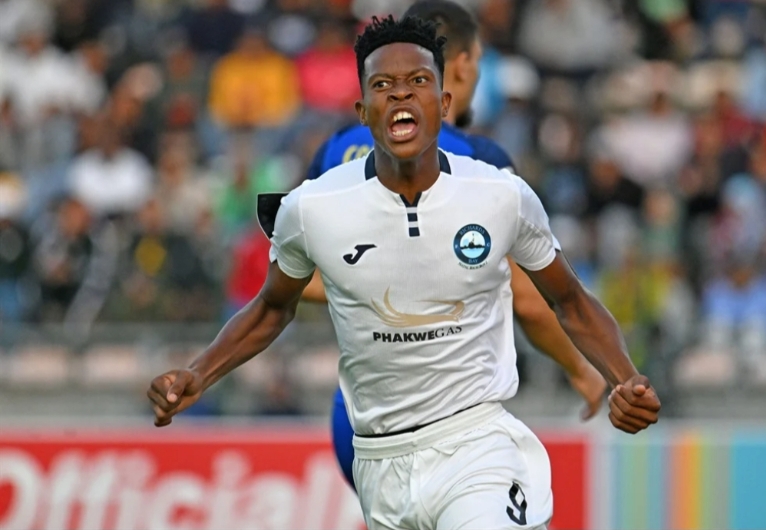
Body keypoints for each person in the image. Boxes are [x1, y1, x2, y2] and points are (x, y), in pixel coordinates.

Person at [148, 15, 660, 530]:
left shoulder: (501, 195)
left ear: (444, 102)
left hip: (477, 447)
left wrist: (625, 379)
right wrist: (198, 373)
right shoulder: (311, 208)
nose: (400, 94)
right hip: (379, 465)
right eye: (382, 85)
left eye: (418, 80)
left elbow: (568, 300)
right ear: (362, 112)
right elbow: (270, 309)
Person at [304, 0, 607, 490]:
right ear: (462, 65)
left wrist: (378, 293)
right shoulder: (479, 164)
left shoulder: (335, 148)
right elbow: (527, 298)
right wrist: (581, 369)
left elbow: (296, 279)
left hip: (358, 416)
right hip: (452, 424)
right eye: (479, 60)